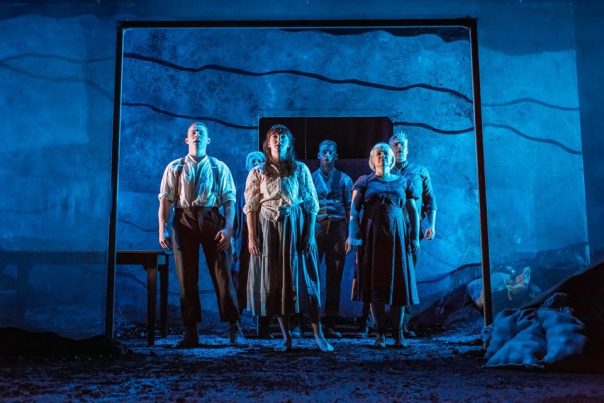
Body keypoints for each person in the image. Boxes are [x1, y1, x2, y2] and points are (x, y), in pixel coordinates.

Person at [244, 124, 334, 352]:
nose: (278, 140)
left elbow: (312, 204)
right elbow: (251, 207)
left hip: (294, 226)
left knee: (304, 279)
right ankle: (285, 337)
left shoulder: (300, 169)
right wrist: (252, 237)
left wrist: (309, 234)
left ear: (289, 143)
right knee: (276, 282)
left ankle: (318, 335)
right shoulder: (257, 172)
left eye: (283, 137)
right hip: (268, 228)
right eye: (274, 136)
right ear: (268, 143)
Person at [158, 122, 245, 347]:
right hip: (184, 219)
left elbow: (229, 201)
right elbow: (165, 200)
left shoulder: (219, 167)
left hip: (212, 218)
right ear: (187, 140)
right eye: (193, 133)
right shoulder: (175, 167)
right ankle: (190, 331)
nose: (197, 136)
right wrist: (163, 227)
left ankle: (235, 327)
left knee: (223, 274)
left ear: (208, 140)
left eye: (201, 133)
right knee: (186, 275)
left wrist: (228, 228)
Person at [345, 143, 420, 348]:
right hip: (372, 238)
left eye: (386, 153)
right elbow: (353, 212)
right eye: (378, 153)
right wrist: (353, 236)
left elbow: (413, 212)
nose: (383, 156)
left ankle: (398, 334)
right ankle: (380, 334)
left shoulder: (404, 181)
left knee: (399, 285)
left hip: (398, 237)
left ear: (392, 157)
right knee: (375, 286)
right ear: (372, 158)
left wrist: (414, 237)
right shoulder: (365, 181)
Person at [389, 130, 437, 337]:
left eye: (402, 144)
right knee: (385, 275)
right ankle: (380, 324)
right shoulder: (383, 170)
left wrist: (431, 225)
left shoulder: (419, 171)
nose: (399, 148)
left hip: (411, 231)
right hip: (388, 230)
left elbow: (430, 199)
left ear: (407, 148)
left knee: (407, 275)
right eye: (395, 144)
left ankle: (402, 324)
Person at [311, 139, 352, 338]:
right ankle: (310, 322)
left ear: (336, 156)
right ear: (318, 155)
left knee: (334, 276)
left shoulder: (344, 179)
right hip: (317, 227)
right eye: (323, 152)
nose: (326, 155)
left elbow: (350, 209)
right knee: (311, 275)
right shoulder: (310, 178)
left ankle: (330, 324)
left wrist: (350, 235)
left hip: (338, 228)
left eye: (330, 152)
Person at [232, 151, 272, 338]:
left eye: (260, 161)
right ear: (247, 166)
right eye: (252, 161)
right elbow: (232, 219)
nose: (256, 163)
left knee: (266, 281)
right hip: (244, 241)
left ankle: (264, 327)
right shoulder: (240, 189)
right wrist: (233, 244)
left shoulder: (270, 187)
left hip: (265, 240)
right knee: (241, 282)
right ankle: (237, 325)